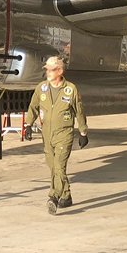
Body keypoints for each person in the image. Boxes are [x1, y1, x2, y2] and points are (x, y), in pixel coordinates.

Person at [24, 56, 88, 215]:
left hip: (64, 134)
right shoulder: (41, 88)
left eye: (50, 69)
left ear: (59, 71)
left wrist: (83, 132)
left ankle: (53, 197)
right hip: (47, 134)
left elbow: (79, 111)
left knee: (59, 166)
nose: (47, 72)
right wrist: (28, 125)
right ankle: (66, 195)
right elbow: (33, 106)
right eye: (46, 69)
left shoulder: (71, 89)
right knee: (53, 167)